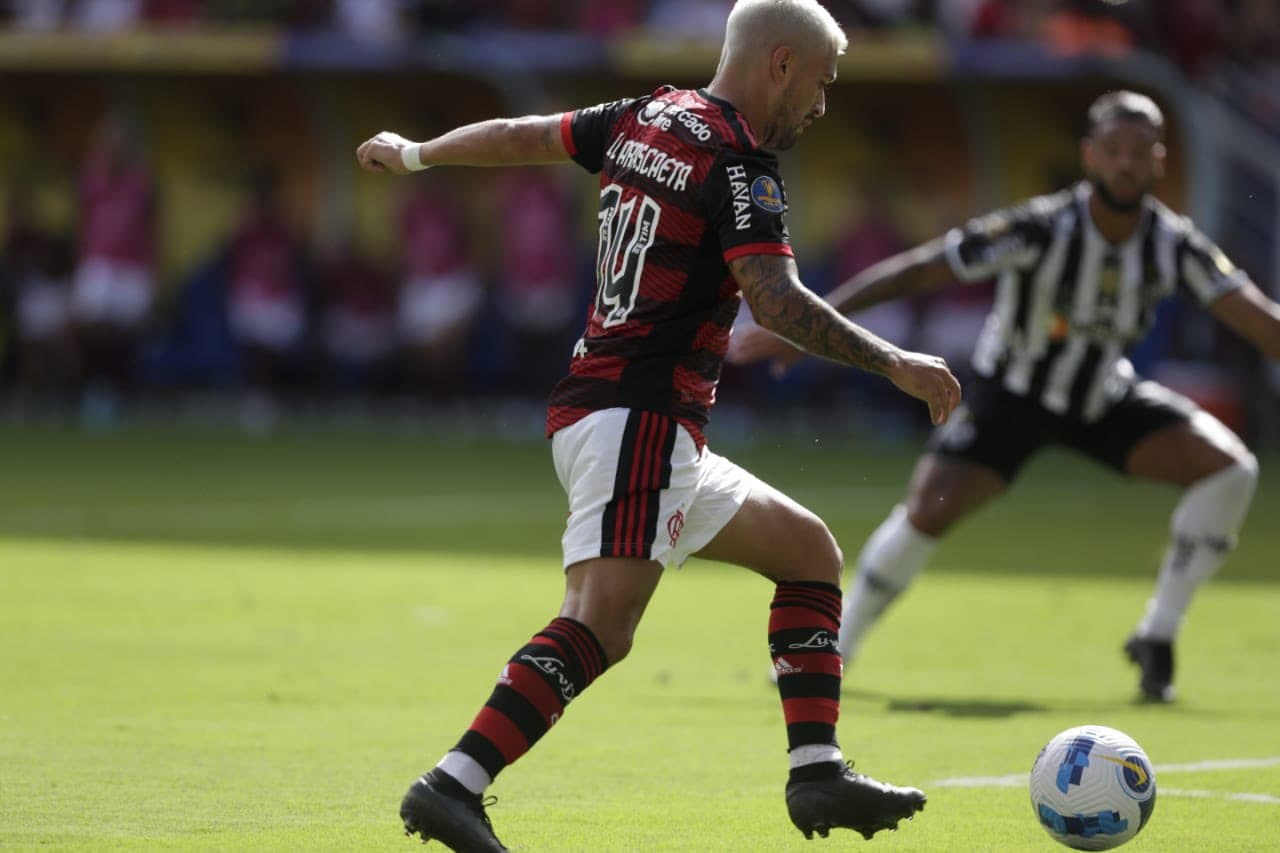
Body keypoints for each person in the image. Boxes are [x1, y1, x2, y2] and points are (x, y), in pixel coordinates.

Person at [356, 1, 961, 849]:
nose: (822, 106)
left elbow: (528, 134)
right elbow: (777, 300)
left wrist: (419, 152)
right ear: (780, 64)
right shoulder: (741, 163)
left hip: (626, 413)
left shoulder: (646, 115)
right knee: (603, 621)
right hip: (637, 415)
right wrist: (897, 363)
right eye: (821, 83)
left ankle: (817, 772)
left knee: (809, 553)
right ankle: (452, 784)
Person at [729, 90, 1280, 704]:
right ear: (1091, 156)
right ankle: (838, 649)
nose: (1126, 164)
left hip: (1102, 396)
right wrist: (813, 324)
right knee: (928, 510)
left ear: (1158, 160)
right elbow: (923, 267)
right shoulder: (1041, 227)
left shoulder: (1175, 244)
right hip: (1011, 397)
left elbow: (1259, 321)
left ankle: (1157, 634)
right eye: (1114, 151)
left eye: (1140, 152)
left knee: (1231, 471)